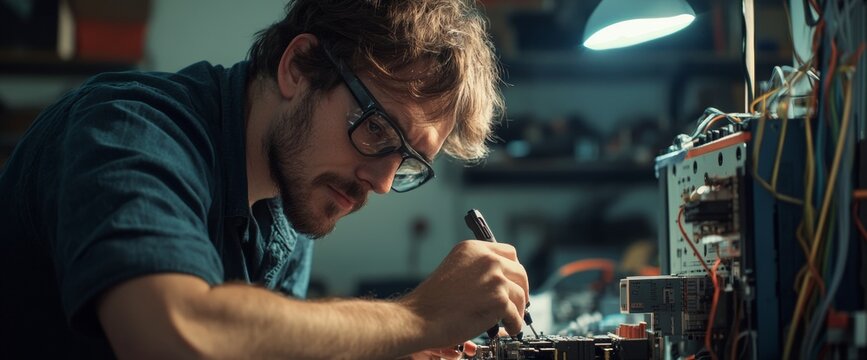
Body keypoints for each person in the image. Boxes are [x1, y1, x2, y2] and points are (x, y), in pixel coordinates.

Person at [0, 0, 531, 358]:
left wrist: (379, 347)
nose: (383, 182)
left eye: (409, 160)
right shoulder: (129, 128)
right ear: (298, 66)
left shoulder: (294, 195)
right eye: (378, 130)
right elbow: (170, 334)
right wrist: (419, 317)